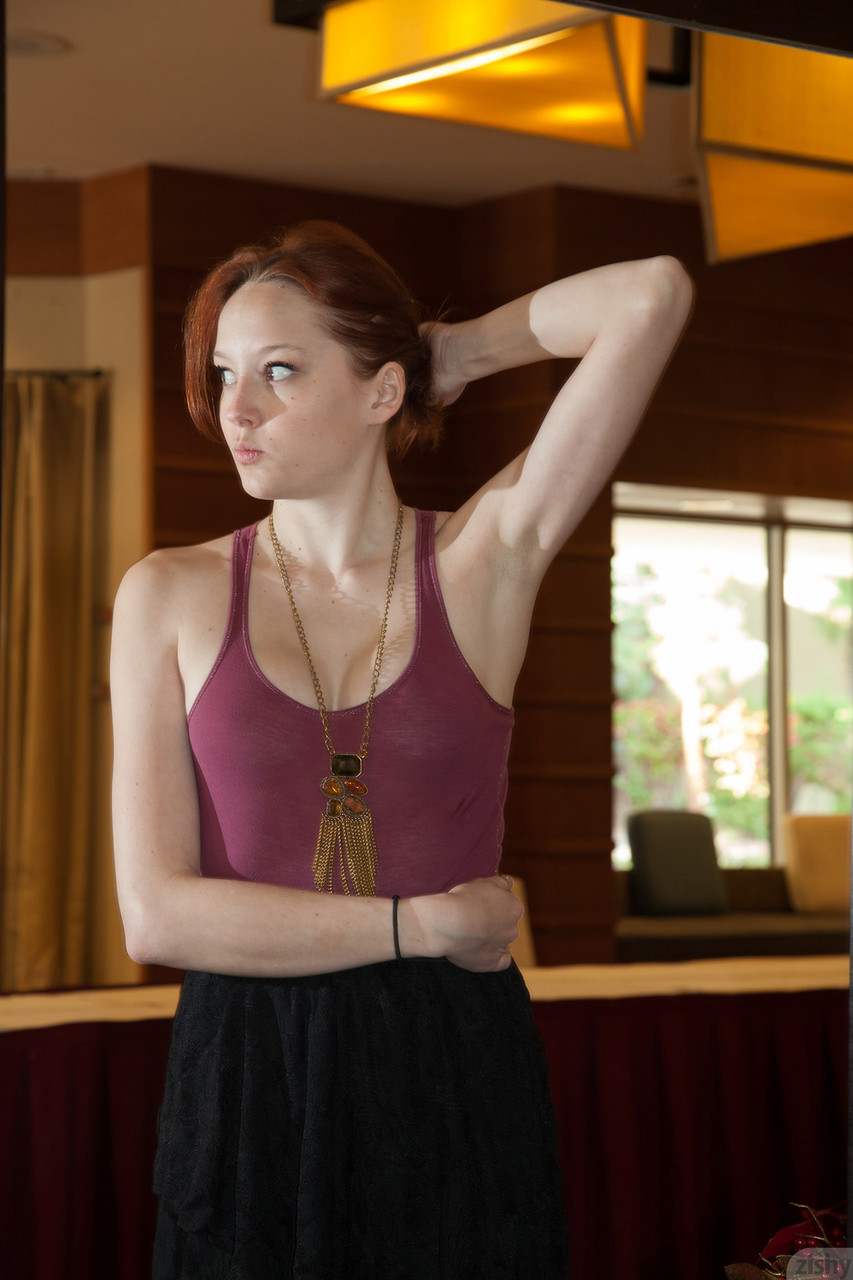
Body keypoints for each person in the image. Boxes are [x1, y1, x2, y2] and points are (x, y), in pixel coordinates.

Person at [111, 221, 693, 1278]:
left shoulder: (482, 560)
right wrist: (416, 925)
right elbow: (157, 914)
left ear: (381, 391)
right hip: (247, 1055)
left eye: (279, 371)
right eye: (225, 373)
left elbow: (648, 295)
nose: (236, 409)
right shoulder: (168, 591)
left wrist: (450, 352)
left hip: (448, 1053)